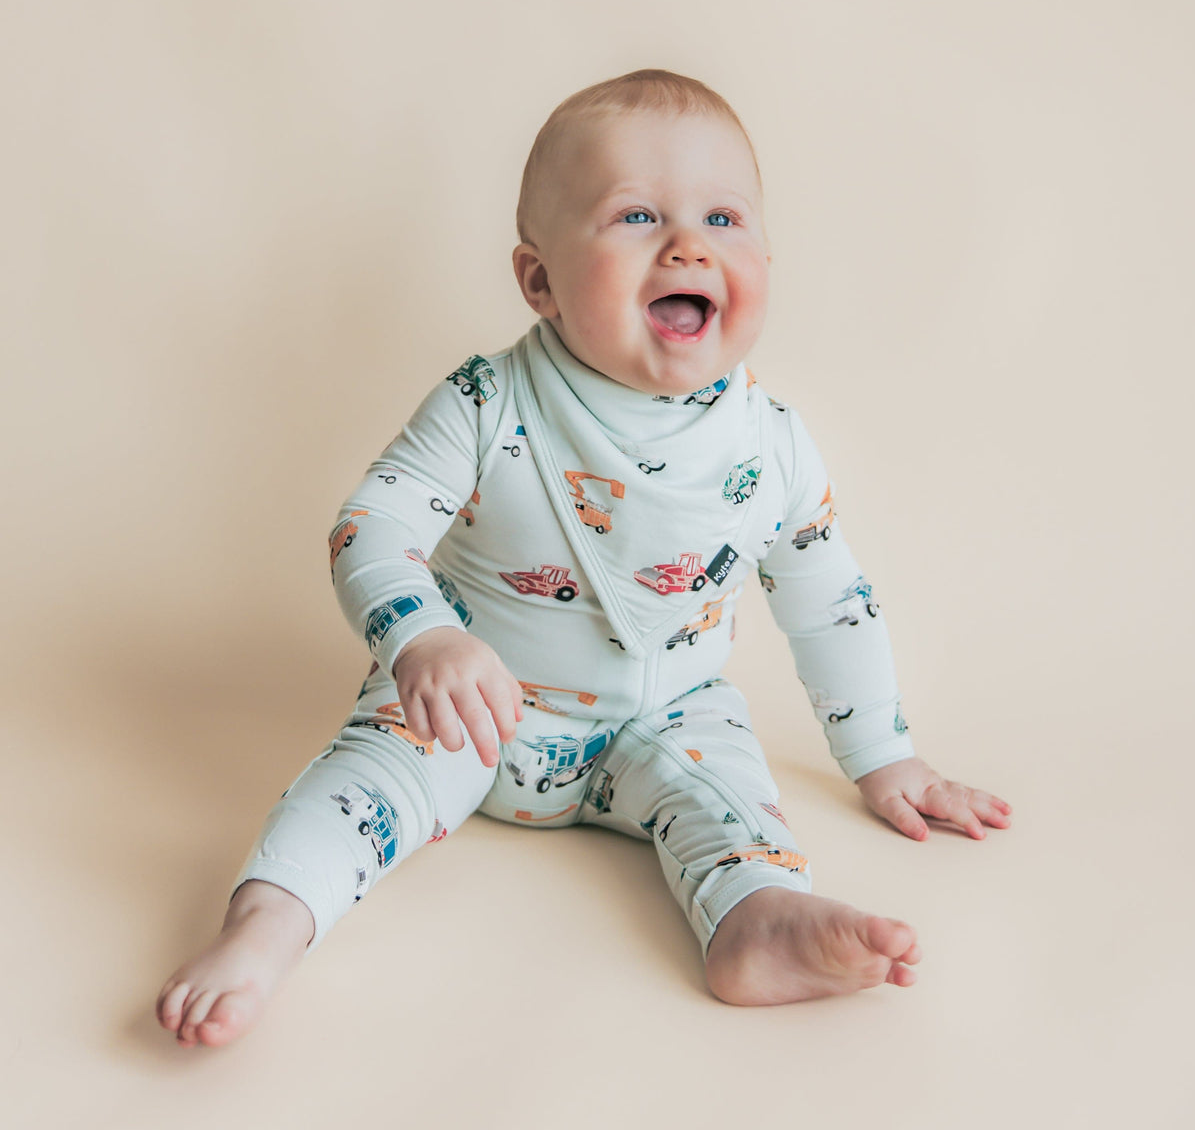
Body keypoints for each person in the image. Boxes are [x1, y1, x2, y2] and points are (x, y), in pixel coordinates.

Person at [156, 68, 1011, 1048]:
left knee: (728, 795)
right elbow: (371, 526)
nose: (689, 244)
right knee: (362, 782)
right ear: (540, 280)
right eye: (637, 216)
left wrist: (885, 758)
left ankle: (755, 921)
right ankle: (267, 927)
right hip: (475, 710)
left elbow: (828, 601)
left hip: (667, 720)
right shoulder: (489, 403)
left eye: (723, 218)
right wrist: (424, 638)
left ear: (769, 255)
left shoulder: (770, 444)